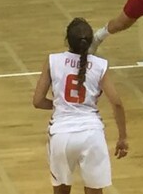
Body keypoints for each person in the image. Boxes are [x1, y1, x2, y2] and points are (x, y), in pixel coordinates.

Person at [32, 18, 129, 194]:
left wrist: (61, 106)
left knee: (61, 190)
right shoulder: (100, 65)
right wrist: (122, 137)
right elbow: (116, 102)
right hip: (92, 134)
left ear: (67, 40)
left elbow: (38, 101)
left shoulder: (53, 61)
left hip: (61, 134)